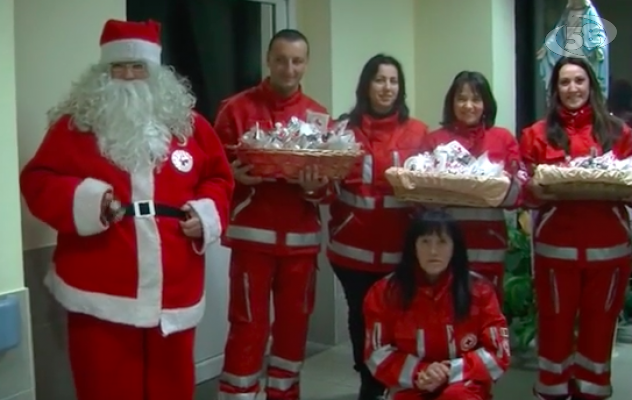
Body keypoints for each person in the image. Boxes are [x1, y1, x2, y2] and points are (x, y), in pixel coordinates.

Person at [19, 19, 234, 400]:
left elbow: (218, 179)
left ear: (156, 73)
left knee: (171, 388)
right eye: (119, 67)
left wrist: (204, 214)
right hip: (100, 287)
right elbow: (38, 181)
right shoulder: (74, 128)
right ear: (103, 73)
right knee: (106, 385)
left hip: (175, 290)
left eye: (139, 67)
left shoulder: (191, 126)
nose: (130, 76)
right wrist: (88, 201)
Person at [214, 29, 328, 400]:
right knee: (248, 326)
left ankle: (284, 395)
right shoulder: (236, 109)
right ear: (268, 60)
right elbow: (210, 172)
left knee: (294, 328)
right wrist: (232, 175)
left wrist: (313, 186)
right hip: (253, 242)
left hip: (301, 244)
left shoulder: (318, 117)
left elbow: (328, 187)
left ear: (306, 64)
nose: (289, 68)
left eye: (297, 61)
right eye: (281, 59)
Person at [521, 56, 632, 400]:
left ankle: (592, 392)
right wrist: (536, 191)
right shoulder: (536, 135)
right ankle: (552, 392)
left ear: (591, 86)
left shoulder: (619, 133)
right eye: (564, 82)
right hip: (556, 250)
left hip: (610, 248)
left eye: (579, 81)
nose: (572, 89)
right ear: (554, 89)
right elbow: (524, 187)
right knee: (554, 327)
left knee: (600, 330)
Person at [327, 54, 428, 400]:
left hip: (400, 251)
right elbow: (326, 190)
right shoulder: (340, 130)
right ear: (366, 85)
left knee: (397, 322)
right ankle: (369, 384)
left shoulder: (418, 132)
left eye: (393, 81)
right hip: (351, 250)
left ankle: (394, 383)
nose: (387, 88)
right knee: (361, 319)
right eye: (379, 80)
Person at [363, 209, 510, 400]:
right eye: (425, 242)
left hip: (464, 384)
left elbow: (498, 353)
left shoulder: (480, 290)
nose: (433, 251)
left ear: (454, 247)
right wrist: (420, 372)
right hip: (409, 384)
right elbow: (375, 353)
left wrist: (449, 371)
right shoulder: (384, 292)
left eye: (442, 242)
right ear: (412, 247)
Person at [422, 71, 524, 301]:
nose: (469, 105)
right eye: (461, 98)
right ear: (452, 103)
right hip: (443, 243)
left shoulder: (503, 138)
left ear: (486, 104)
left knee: (486, 313)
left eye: (476, 99)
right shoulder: (435, 140)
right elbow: (422, 195)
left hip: (489, 242)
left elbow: (519, 195)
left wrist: (498, 189)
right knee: (444, 312)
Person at [537, 0, 609, 99]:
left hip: (584, 52)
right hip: (568, 50)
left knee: (583, 73)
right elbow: (558, 33)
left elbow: (597, 31)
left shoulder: (589, 13)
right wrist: (548, 47)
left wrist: (598, 47)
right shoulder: (567, 14)